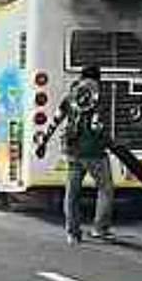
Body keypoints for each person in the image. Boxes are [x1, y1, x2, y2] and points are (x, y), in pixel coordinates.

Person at [36, 65, 114, 245]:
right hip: (94, 153)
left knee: (72, 193)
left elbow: (56, 119)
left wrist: (43, 142)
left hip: (72, 151)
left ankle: (72, 232)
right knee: (105, 188)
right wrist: (109, 141)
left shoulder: (71, 95)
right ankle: (100, 229)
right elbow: (97, 125)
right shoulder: (97, 94)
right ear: (97, 78)